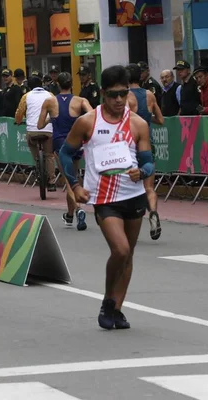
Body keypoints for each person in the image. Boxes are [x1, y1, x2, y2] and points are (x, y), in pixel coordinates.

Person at [59, 65, 154, 330]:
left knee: (129, 255)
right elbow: (65, 154)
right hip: (104, 198)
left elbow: (149, 162)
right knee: (120, 249)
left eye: (123, 94)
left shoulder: (138, 124)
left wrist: (142, 171)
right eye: (113, 95)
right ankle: (107, 302)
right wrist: (75, 186)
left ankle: (117, 308)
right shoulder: (88, 121)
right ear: (102, 94)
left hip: (133, 195)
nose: (119, 100)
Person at [37, 72, 92, 230]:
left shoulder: (49, 101)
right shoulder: (81, 100)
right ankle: (69, 215)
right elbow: (92, 116)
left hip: (61, 144)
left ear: (58, 85)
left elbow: (40, 125)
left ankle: (79, 210)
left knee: (69, 181)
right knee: (73, 176)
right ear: (71, 84)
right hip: (77, 142)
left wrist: (51, 118)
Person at [126, 63, 164, 240]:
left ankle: (130, 222)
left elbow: (122, 119)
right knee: (149, 186)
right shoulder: (150, 95)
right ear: (141, 76)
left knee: (129, 187)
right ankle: (154, 212)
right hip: (149, 143)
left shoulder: (126, 97)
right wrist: (147, 119)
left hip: (131, 145)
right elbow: (161, 120)